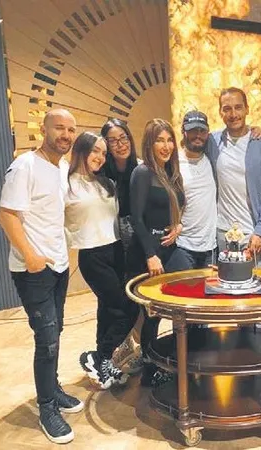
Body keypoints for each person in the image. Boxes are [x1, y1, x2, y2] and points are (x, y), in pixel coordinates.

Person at [0, 109, 83, 444]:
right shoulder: (25, 166)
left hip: (57, 265)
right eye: (59, 128)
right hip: (33, 269)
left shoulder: (60, 167)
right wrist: (31, 256)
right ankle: (47, 408)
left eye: (71, 130)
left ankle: (53, 388)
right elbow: (6, 215)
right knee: (46, 340)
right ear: (44, 130)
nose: (66, 135)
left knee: (55, 332)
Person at [65, 131, 138, 390]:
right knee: (125, 309)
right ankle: (99, 356)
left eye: (104, 153)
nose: (100, 157)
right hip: (92, 254)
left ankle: (103, 363)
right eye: (95, 150)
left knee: (107, 310)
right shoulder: (67, 184)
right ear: (81, 151)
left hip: (116, 249)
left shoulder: (106, 183)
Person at [128, 118, 186, 387]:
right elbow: (137, 219)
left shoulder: (170, 172)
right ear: (149, 144)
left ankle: (175, 359)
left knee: (180, 303)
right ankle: (150, 369)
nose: (166, 146)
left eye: (169, 140)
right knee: (152, 314)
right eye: (159, 140)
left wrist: (178, 226)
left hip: (170, 247)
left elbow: (176, 208)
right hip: (148, 252)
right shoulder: (142, 173)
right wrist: (150, 255)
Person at [207, 87, 261, 265]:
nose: (233, 114)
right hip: (222, 233)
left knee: (254, 281)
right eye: (227, 109)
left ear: (247, 109)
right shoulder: (212, 142)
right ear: (220, 112)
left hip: (252, 234)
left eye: (238, 107)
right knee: (224, 280)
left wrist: (260, 231)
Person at [98, 119, 143, 374]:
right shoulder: (101, 175)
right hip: (109, 242)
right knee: (113, 301)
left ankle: (134, 350)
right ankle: (108, 353)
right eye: (113, 140)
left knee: (136, 299)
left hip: (136, 241)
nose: (120, 144)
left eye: (123, 138)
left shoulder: (141, 169)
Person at [176, 111, 218, 269]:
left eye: (202, 131)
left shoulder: (212, 159)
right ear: (184, 131)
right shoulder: (174, 163)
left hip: (210, 248)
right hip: (183, 246)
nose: (198, 136)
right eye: (193, 130)